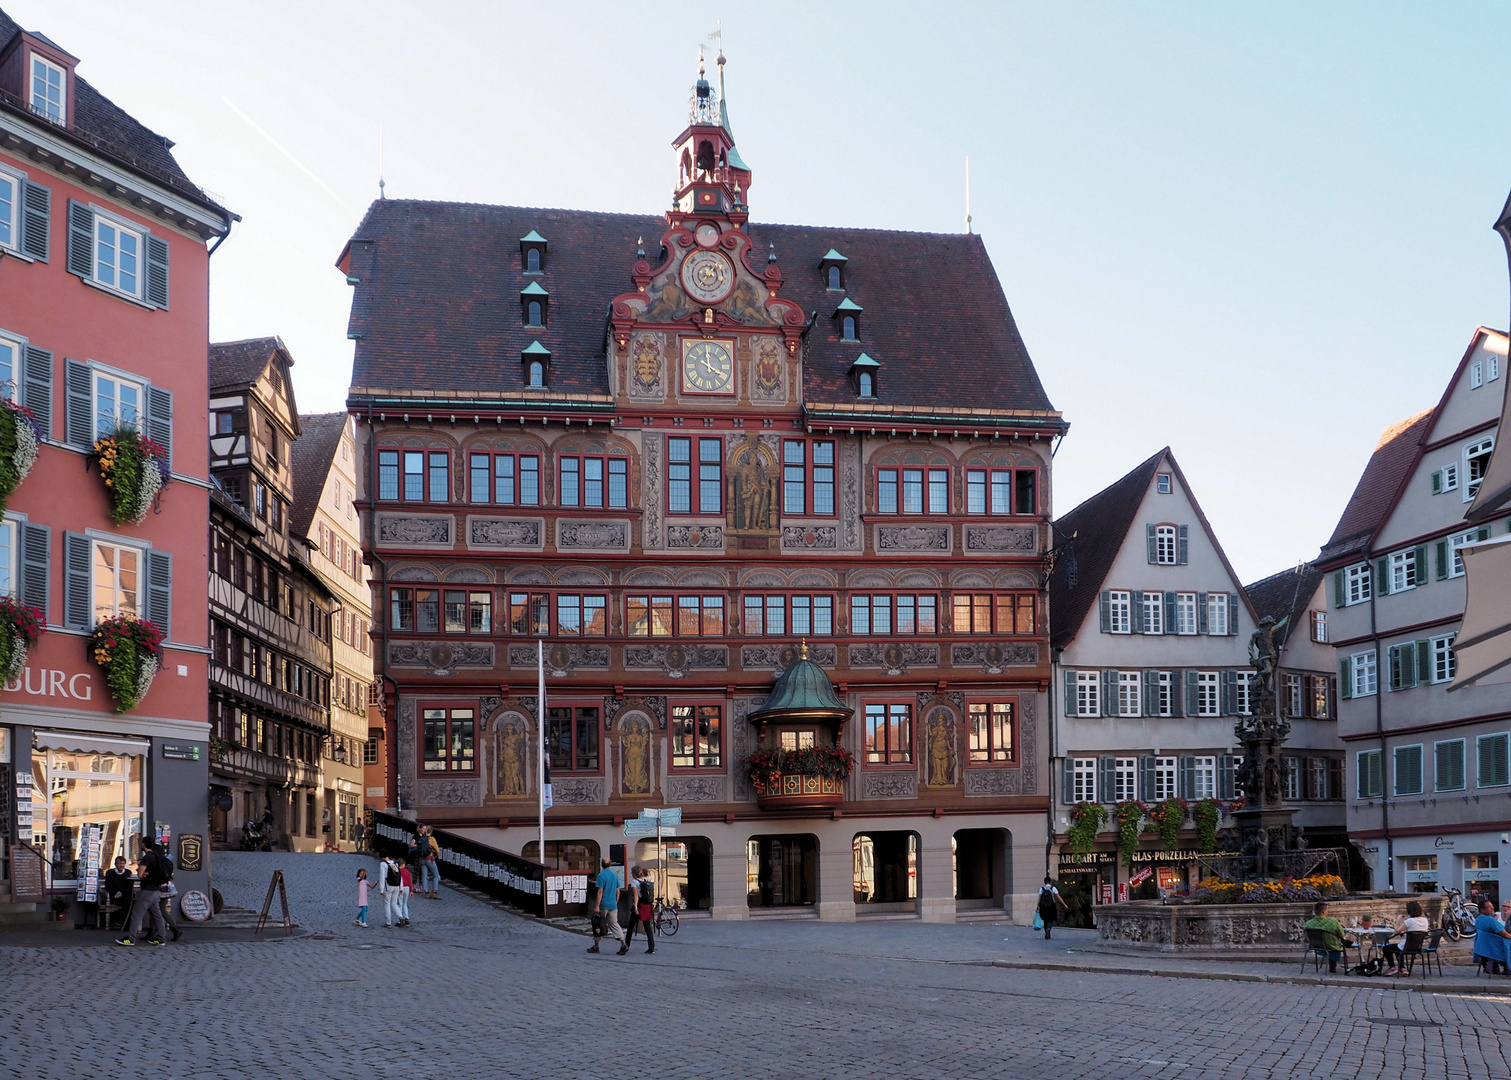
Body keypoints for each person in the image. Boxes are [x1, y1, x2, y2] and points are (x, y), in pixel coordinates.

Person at [116, 842, 170, 946]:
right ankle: (161, 938)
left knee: (136, 914)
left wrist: (142, 873)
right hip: (156, 890)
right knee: (157, 915)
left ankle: (130, 939)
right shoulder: (158, 858)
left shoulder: (148, 857)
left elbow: (140, 875)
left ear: (144, 844)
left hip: (147, 890)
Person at [587, 858, 626, 955]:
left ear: (601, 865)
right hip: (613, 904)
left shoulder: (601, 876)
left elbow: (600, 891)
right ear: (610, 865)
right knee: (614, 924)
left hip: (603, 904)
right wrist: (615, 902)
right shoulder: (614, 875)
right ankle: (623, 944)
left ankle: (596, 946)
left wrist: (597, 905)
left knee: (598, 925)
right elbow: (618, 891)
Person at [1379, 900, 1430, 975]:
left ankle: (1392, 967)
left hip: (1405, 946)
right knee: (1398, 947)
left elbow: (1396, 931)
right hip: (1417, 947)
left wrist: (1398, 920)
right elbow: (1415, 927)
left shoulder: (1409, 921)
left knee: (1387, 948)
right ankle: (1402, 968)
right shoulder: (1425, 920)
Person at [1303, 901, 1347, 973]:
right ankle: (1333, 966)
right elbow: (1342, 935)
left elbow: (1307, 935)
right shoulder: (1332, 921)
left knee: (1329, 941)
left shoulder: (1308, 923)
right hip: (1330, 945)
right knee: (1336, 941)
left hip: (1315, 945)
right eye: (1327, 910)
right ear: (1323, 912)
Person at [1473, 899, 1511, 975]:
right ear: (1482, 909)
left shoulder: (1478, 919)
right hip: (1496, 947)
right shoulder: (1491, 921)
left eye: (1492, 907)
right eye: (1489, 908)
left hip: (1486, 946)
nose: (1492, 909)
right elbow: (1506, 935)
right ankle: (1507, 967)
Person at [624, 865, 655, 955]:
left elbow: (636, 895)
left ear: (634, 873)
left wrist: (635, 907)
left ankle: (626, 945)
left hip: (640, 905)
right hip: (647, 905)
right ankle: (651, 947)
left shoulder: (634, 882)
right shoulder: (644, 881)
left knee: (630, 926)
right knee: (647, 926)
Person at [103, 856, 134, 930]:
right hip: (113, 895)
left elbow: (129, 886)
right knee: (127, 902)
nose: (122, 865)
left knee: (130, 901)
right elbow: (108, 886)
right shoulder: (110, 873)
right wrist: (115, 892)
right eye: (120, 863)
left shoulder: (128, 873)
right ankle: (123, 922)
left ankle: (126, 923)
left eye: (123, 863)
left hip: (125, 895)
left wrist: (121, 892)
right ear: (115, 864)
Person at [377, 855, 402, 928]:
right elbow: (399, 875)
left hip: (389, 885)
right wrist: (401, 887)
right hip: (396, 885)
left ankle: (388, 922)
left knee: (387, 903)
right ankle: (400, 917)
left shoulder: (383, 864)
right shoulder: (395, 863)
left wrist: (381, 889)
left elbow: (382, 877)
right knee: (394, 903)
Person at [419, 827, 441, 899]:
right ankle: (434, 892)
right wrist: (436, 855)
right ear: (431, 832)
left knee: (424, 876)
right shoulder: (431, 839)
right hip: (429, 859)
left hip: (422, 859)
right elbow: (437, 850)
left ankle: (426, 892)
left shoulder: (422, 838)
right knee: (436, 875)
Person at [397, 861, 414, 927]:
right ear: (403, 864)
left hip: (400, 887)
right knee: (405, 903)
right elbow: (409, 880)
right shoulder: (406, 871)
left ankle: (400, 919)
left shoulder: (397, 871)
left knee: (400, 904)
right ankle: (406, 917)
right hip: (407, 887)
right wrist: (411, 891)